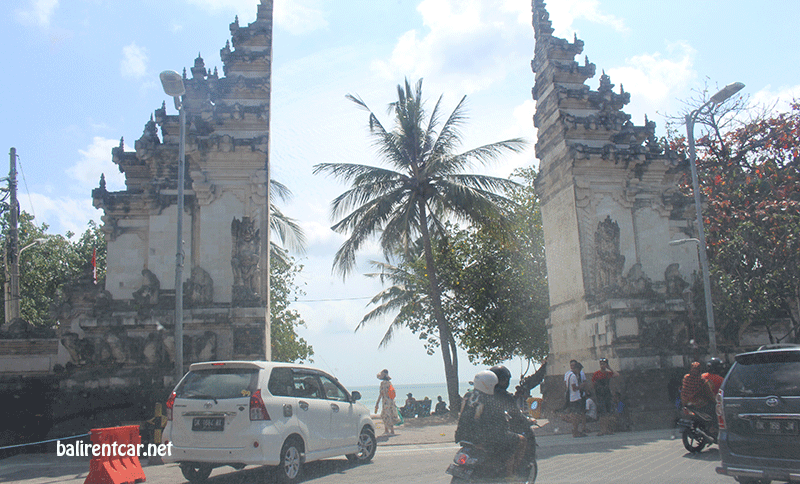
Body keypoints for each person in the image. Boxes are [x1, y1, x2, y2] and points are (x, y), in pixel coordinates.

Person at [455, 370, 526, 478]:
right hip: (483, 438)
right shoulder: (490, 400)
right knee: (520, 440)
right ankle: (510, 475)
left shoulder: (468, 395)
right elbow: (499, 422)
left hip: (462, 435)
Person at [591, 357, 618, 435]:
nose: (602, 366)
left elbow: (616, 374)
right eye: (601, 364)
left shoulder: (608, 374)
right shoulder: (597, 373)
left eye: (604, 364)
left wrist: (609, 368)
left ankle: (608, 429)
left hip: (607, 394)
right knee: (602, 413)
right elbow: (593, 383)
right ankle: (603, 429)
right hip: (600, 394)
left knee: (608, 412)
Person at [565, 360, 588, 437]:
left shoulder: (570, 375)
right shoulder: (573, 376)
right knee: (576, 416)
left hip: (573, 398)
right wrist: (580, 386)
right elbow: (574, 388)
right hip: (575, 398)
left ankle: (576, 430)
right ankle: (575, 431)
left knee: (576, 415)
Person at [374, 369, 398, 435]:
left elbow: (381, 394)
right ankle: (387, 430)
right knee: (387, 414)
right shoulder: (389, 383)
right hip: (391, 401)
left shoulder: (383, 383)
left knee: (385, 415)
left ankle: (391, 431)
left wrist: (377, 403)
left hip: (386, 401)